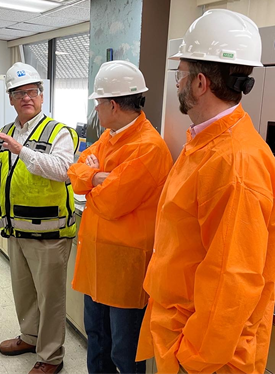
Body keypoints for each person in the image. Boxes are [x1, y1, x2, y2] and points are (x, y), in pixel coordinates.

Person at [136, 9, 275, 374]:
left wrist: (192, 359)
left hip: (205, 356)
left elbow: (231, 280)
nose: (177, 83)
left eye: (180, 74)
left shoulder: (235, 163)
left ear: (200, 83)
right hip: (182, 334)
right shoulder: (208, 144)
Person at [0, 62, 78, 374]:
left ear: (42, 95)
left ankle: (51, 356)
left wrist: (22, 151)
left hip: (49, 233)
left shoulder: (59, 132)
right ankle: (30, 337)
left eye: (32, 91)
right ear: (10, 98)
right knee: (24, 292)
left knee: (50, 299)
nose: (26, 97)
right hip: (15, 229)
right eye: (19, 93)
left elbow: (65, 171)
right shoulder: (5, 133)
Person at [68, 60, 173, 374]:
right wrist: (95, 177)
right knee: (97, 340)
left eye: (98, 103)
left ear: (113, 105)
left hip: (125, 270)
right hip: (97, 263)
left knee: (124, 353)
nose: (96, 109)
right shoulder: (110, 136)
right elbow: (76, 169)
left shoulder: (149, 148)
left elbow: (110, 202)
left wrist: (91, 181)